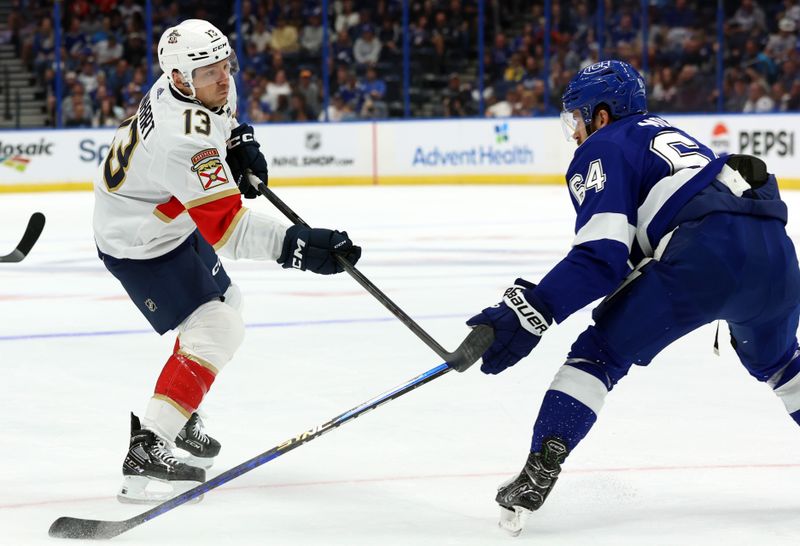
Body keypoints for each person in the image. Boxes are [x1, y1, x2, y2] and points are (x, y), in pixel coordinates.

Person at [466, 60, 800, 535]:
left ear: (601, 116)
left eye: (578, 118)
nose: (576, 131)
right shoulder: (672, 135)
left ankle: (540, 467)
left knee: (597, 355)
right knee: (786, 366)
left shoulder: (603, 147)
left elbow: (602, 258)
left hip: (702, 256)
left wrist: (531, 311)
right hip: (777, 256)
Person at [92, 19, 361, 504]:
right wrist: (301, 247)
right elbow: (230, 233)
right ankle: (148, 446)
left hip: (171, 219)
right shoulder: (181, 139)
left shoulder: (194, 84)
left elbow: (223, 119)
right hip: (140, 240)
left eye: (225, 64)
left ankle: (181, 412)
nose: (223, 77)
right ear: (178, 78)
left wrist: (240, 142)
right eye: (209, 70)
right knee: (217, 329)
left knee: (228, 304)